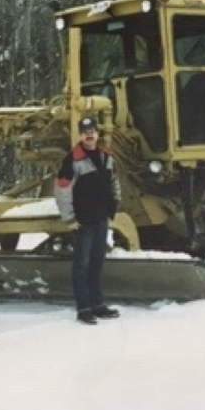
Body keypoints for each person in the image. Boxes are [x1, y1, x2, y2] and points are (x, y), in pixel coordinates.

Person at [55, 117, 122, 325]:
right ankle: (83, 309)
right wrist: (69, 219)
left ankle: (98, 305)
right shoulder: (72, 160)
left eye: (92, 130)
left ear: (97, 133)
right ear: (80, 135)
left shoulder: (106, 156)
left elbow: (114, 181)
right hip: (83, 221)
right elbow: (62, 190)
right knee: (81, 266)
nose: (89, 134)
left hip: (101, 218)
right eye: (85, 132)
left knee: (97, 264)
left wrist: (115, 203)